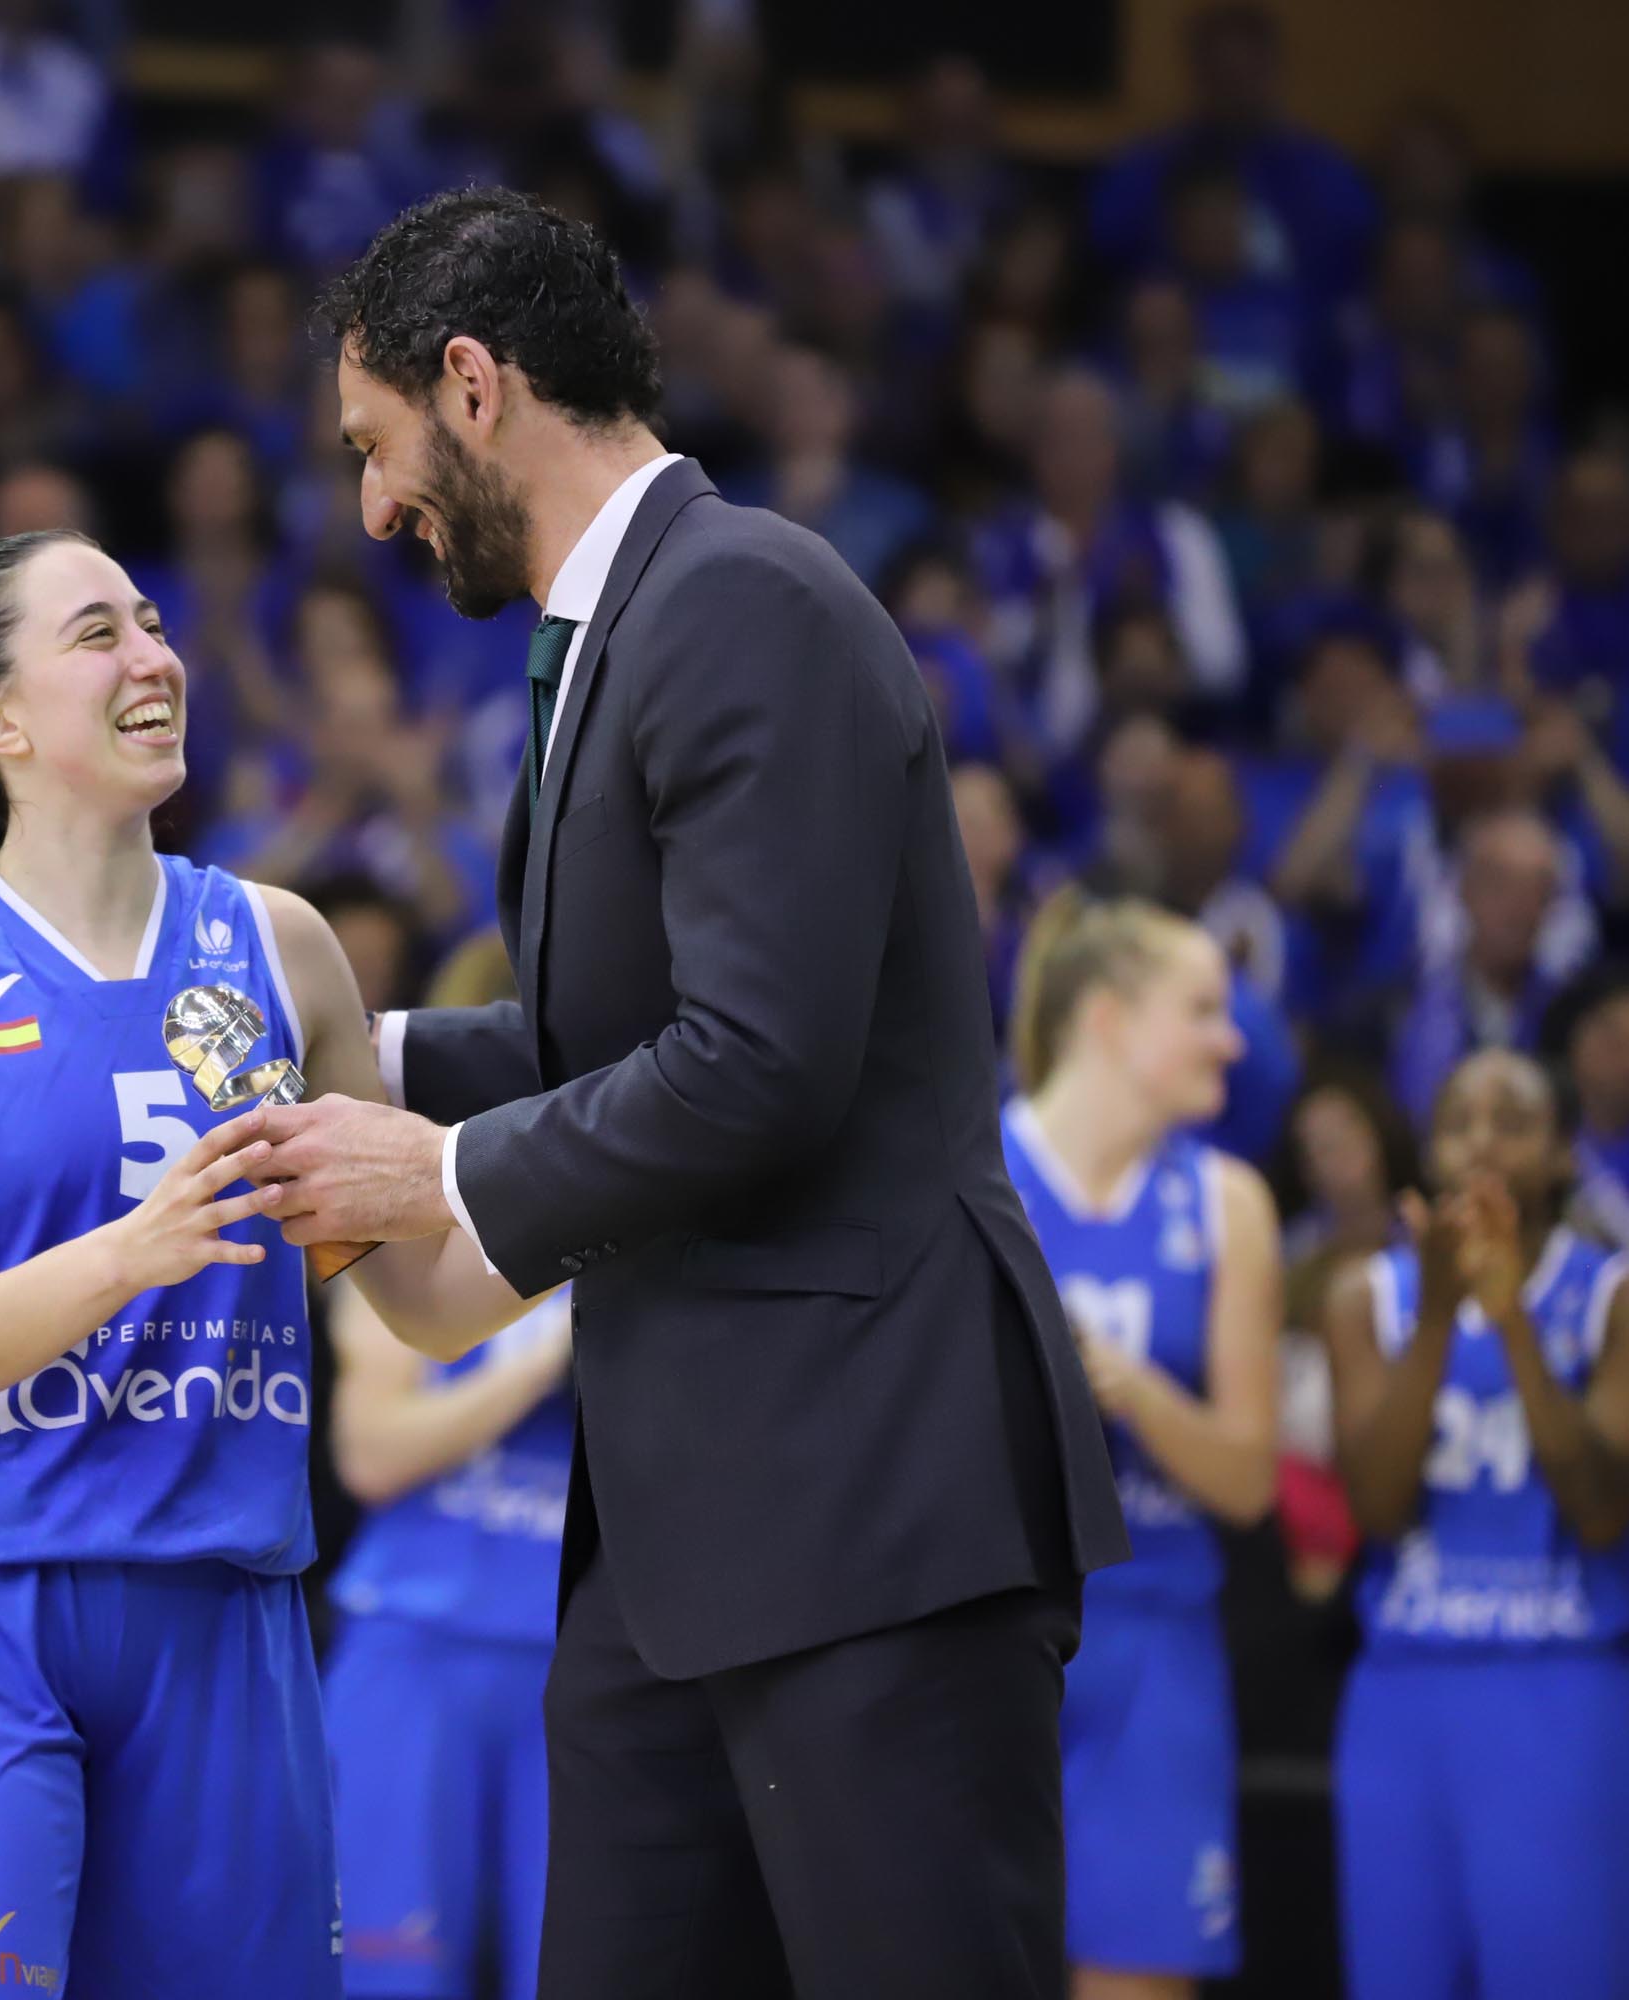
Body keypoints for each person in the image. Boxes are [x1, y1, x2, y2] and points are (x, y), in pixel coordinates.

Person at [276, 186, 1127, 1997]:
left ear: (474, 383)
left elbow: (758, 1069)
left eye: (374, 445)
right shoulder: (615, 625)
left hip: (868, 1503)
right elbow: (628, 1041)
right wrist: (361, 1058)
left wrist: (441, 1185)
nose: (372, 505)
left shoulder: (742, 599)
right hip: (689, 1536)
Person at [0, 530, 521, 1999]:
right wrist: (128, 1255)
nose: (152, 657)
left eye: (151, 623)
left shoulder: (281, 943)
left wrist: (613, 1188)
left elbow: (427, 1306)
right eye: (96, 635)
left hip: (223, 1604)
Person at [1001, 890, 1284, 1997]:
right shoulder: (964, 1164)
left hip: (1159, 1637)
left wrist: (1128, 1388)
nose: (1235, 1035)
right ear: (1110, 1019)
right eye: (1205, 1007)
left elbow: (1249, 1478)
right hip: (987, 1629)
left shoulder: (1228, 1202)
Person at [1321, 1049, 1629, 1999]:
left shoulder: (1612, 1293)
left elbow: (1604, 1510)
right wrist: (1440, 1323)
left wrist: (1513, 1325)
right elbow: (1375, 1509)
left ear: (1565, 1152)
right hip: (1403, 1692)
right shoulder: (1365, 1295)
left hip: (1561, 1685)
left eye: (1514, 1120)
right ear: (1429, 1147)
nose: (1483, 1142)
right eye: (1459, 1121)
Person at [321, 1282, 573, 2000]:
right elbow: (371, 1454)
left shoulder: (644, 1249)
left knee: (572, 1967)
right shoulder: (414, 1250)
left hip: (575, 1663)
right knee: (395, 1966)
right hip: (416, 1648)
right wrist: (544, 1363)